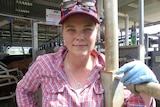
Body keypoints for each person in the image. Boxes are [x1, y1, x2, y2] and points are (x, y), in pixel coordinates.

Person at [16, 0, 159, 107]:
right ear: (63, 33)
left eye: (87, 29)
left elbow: (131, 104)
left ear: (97, 32)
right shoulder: (44, 64)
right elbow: (23, 90)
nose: (80, 37)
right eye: (71, 29)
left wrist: (145, 90)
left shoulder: (109, 68)